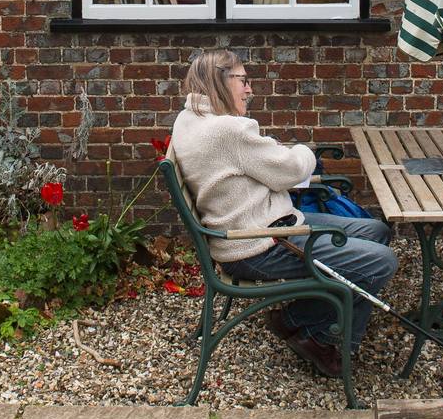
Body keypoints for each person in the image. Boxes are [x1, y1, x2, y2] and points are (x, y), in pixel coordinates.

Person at [170, 49, 398, 379]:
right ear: (221, 81)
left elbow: (257, 167)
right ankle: (319, 336)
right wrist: (304, 150)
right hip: (258, 243)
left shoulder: (189, 119)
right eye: (243, 81)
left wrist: (272, 154)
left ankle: (304, 316)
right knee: (381, 262)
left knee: (377, 231)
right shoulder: (227, 131)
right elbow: (290, 171)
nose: (250, 89)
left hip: (264, 224)